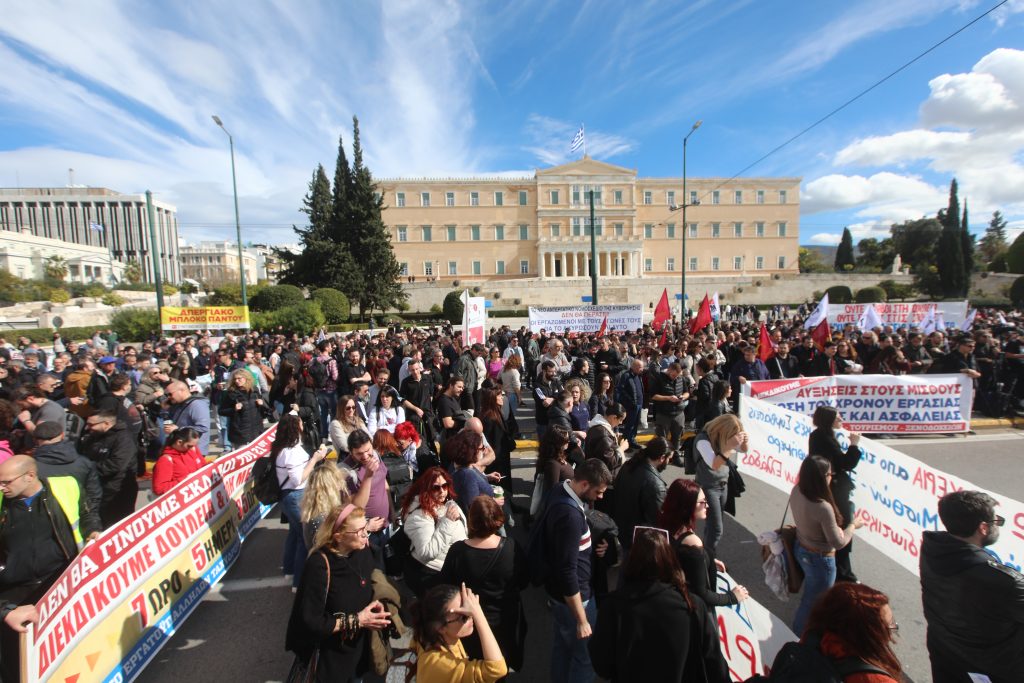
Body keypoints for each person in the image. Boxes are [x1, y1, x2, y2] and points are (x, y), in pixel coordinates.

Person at [0, 455, 102, 683]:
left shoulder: (66, 487)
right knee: (16, 661)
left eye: (7, 482)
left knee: (61, 651)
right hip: (13, 593)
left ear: (30, 476)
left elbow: (86, 513)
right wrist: (5, 610)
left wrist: (93, 530)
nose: (1, 487)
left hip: (58, 584)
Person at [589, 527, 730, 683]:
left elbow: (602, 665)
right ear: (670, 561)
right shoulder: (692, 605)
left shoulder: (613, 606)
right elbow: (714, 664)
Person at [920, 490, 1024, 683]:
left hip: (946, 660)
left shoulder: (932, 549)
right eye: (996, 521)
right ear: (983, 528)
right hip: (995, 672)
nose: (997, 526)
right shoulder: (1005, 581)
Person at [285, 504, 393, 682]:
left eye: (365, 528)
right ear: (338, 536)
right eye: (359, 531)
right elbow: (311, 622)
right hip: (331, 661)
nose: (365, 535)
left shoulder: (362, 551)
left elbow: (365, 585)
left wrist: (376, 604)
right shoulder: (319, 565)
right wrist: (358, 620)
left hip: (358, 652)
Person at [536, 458, 613, 683]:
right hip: (576, 599)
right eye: (598, 492)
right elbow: (567, 570)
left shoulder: (563, 488)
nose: (601, 497)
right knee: (584, 657)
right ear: (585, 484)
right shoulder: (569, 516)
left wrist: (591, 543)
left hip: (559, 596)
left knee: (563, 647)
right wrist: (581, 619)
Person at [440, 496, 528, 671]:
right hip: (504, 619)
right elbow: (524, 581)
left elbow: (445, 586)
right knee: (498, 666)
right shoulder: (511, 546)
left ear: (471, 521)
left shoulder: (458, 551)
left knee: (473, 667)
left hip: (468, 622)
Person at [790, 454, 862, 636]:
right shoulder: (822, 507)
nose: (832, 476)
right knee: (813, 601)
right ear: (822, 478)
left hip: (802, 548)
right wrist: (852, 526)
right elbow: (838, 542)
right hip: (820, 559)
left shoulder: (797, 490)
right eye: (830, 474)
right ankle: (800, 636)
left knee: (810, 596)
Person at [657, 478, 749, 611]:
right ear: (687, 506)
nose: (707, 506)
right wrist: (732, 597)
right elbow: (703, 593)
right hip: (693, 610)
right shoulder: (692, 542)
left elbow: (684, 561)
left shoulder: (666, 525)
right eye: (702, 502)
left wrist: (707, 560)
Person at [790, 582, 904, 682]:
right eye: (888, 628)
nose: (890, 635)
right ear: (867, 635)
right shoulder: (876, 679)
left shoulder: (812, 639)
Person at [273, 414, 330, 589]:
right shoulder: (292, 451)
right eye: (300, 422)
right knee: (305, 540)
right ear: (296, 427)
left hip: (288, 496)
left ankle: (289, 571)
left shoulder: (283, 447)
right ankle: (298, 582)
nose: (303, 424)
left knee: (294, 533)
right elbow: (298, 479)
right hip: (296, 496)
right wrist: (316, 459)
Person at [411, 583, 508, 683]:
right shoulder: (440, 664)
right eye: (464, 617)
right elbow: (497, 670)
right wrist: (478, 613)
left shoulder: (427, 633)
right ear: (440, 627)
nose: (471, 617)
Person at [809, 405, 862, 583]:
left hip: (829, 488)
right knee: (844, 525)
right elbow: (845, 463)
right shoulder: (826, 439)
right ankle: (844, 573)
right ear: (829, 420)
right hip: (836, 491)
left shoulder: (817, 435)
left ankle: (841, 570)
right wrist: (854, 445)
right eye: (838, 418)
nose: (841, 421)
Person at [401, 466, 468, 596]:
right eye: (436, 488)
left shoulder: (446, 503)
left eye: (445, 485)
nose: (442, 491)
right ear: (427, 489)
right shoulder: (420, 515)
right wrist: (448, 522)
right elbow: (426, 552)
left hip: (447, 570)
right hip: (430, 576)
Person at [693, 414, 748, 560]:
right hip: (708, 487)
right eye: (731, 434)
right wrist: (730, 446)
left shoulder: (724, 438)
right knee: (716, 529)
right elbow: (714, 464)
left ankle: (707, 553)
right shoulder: (703, 440)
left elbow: (743, 450)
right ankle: (708, 560)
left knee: (713, 526)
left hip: (723, 485)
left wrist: (744, 443)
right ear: (722, 430)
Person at [31, 421, 103, 521]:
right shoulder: (85, 463)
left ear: (35, 440)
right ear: (62, 435)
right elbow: (94, 495)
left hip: (43, 521)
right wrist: (90, 521)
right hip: (78, 520)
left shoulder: (30, 468)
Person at [78, 410, 138, 527]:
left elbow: (117, 464)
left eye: (91, 425)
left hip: (117, 492)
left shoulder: (123, 439)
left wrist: (90, 470)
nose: (87, 428)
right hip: (97, 488)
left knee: (115, 525)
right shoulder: (93, 437)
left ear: (106, 423)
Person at [299, 460, 377, 548]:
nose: (341, 487)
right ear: (330, 488)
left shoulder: (313, 510)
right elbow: (337, 542)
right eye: (338, 482)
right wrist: (367, 527)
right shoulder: (321, 517)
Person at [613, 436, 670, 550]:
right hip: (638, 541)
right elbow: (656, 521)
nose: (669, 462)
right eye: (670, 458)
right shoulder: (656, 485)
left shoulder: (629, 465)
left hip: (622, 530)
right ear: (662, 458)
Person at [448, 431, 503, 517]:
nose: (485, 450)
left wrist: (487, 477)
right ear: (473, 451)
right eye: (482, 448)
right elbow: (473, 509)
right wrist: (493, 502)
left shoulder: (468, 466)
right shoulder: (467, 475)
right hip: (482, 525)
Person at [651, 362, 690, 462]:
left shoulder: (681, 379)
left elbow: (687, 392)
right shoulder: (659, 379)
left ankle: (675, 456)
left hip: (678, 413)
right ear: (669, 370)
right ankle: (661, 457)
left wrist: (683, 397)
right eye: (673, 375)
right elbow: (653, 396)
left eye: (677, 376)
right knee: (662, 438)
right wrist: (668, 398)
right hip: (664, 414)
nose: (674, 378)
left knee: (677, 437)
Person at [218, 369, 266, 448]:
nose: (237, 381)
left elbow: (263, 412)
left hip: (256, 432)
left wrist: (262, 405)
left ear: (246, 378)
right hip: (240, 434)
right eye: (235, 379)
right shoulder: (231, 393)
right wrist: (234, 409)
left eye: (239, 378)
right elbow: (221, 411)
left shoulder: (254, 390)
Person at [161, 380, 211, 456]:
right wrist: (165, 408)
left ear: (181, 391)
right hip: (182, 449)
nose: (169, 397)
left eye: (170, 394)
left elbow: (203, 427)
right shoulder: (180, 403)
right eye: (166, 395)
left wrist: (179, 429)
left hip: (193, 451)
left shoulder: (197, 405)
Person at [533, 426, 574, 514]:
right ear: (558, 443)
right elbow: (553, 490)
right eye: (566, 440)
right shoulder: (553, 464)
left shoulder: (557, 456)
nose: (568, 442)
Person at [152, 427, 205, 495]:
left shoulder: (192, 449)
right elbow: (159, 488)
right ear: (179, 442)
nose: (192, 448)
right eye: (189, 446)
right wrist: (185, 480)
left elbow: (203, 467)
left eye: (194, 445)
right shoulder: (165, 460)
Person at [479, 387, 514, 483]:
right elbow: (490, 442)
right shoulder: (489, 418)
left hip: (501, 458)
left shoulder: (497, 413)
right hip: (496, 462)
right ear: (492, 398)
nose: (502, 397)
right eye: (499, 395)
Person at [583, 400, 627, 477]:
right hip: (601, 476)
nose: (621, 423)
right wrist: (622, 448)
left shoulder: (601, 428)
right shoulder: (603, 434)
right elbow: (609, 461)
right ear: (614, 417)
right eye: (621, 420)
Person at [617, 359, 645, 450]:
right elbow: (621, 390)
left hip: (639, 404)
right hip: (631, 405)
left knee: (635, 424)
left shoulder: (638, 376)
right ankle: (625, 443)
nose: (642, 369)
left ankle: (632, 441)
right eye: (640, 367)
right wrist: (630, 401)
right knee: (629, 425)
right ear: (634, 367)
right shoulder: (626, 376)